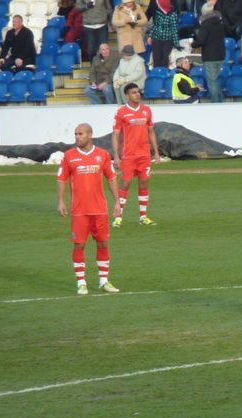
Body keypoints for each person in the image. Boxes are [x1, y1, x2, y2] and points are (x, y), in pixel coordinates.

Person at [57, 123, 122, 296]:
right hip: (79, 211)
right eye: (76, 134)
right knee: (79, 245)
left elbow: (111, 178)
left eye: (80, 134)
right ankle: (81, 283)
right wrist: (61, 201)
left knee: (103, 243)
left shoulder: (102, 155)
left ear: (90, 135)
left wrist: (117, 202)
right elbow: (62, 179)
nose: (77, 137)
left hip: (100, 209)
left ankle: (103, 281)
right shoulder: (69, 156)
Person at [111, 83, 161, 227]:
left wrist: (156, 153)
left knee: (144, 182)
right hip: (128, 155)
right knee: (126, 183)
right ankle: (118, 217)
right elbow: (116, 135)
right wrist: (116, 156)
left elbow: (151, 131)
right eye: (134, 93)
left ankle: (143, 217)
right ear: (127, 96)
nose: (137, 95)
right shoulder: (121, 112)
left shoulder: (146, 110)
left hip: (144, 155)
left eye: (138, 92)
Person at [192, 4, 226, 102]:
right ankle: (220, 100)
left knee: (212, 81)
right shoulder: (220, 23)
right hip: (220, 55)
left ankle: (216, 102)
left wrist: (192, 44)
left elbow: (201, 41)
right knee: (216, 79)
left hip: (210, 56)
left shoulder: (205, 24)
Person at [146, 0, 181, 70]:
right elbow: (155, 26)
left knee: (165, 59)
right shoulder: (158, 13)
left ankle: (165, 74)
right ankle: (157, 74)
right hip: (156, 39)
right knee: (156, 59)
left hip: (168, 41)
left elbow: (174, 31)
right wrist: (150, 36)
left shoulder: (173, 15)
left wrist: (177, 44)